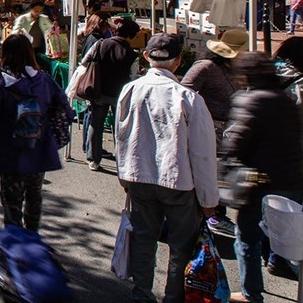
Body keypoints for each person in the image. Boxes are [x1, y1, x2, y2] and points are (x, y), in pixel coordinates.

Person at [115, 33, 219, 303]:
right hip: (178, 181)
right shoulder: (188, 98)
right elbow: (203, 153)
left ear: (146, 57)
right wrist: (209, 199)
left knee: (143, 239)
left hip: (139, 176)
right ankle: (172, 297)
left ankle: (141, 293)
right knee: (180, 245)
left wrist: (123, 174)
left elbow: (121, 136)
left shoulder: (130, 90)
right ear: (178, 62)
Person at [221, 52, 303, 303]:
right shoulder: (285, 98)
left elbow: (237, 143)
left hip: (258, 182)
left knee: (247, 239)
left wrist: (224, 168)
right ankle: (280, 267)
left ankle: (251, 294)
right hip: (291, 179)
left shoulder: (249, 100)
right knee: (289, 238)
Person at [0, 35, 71, 232]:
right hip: (39, 149)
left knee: (12, 203)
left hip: (10, 152)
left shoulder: (0, 82)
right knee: (35, 197)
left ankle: (16, 244)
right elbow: (66, 109)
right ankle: (33, 239)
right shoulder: (44, 80)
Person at [182, 27, 247, 234]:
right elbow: (185, 92)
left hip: (230, 128)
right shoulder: (207, 66)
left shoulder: (235, 68)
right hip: (208, 126)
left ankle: (214, 212)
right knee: (207, 170)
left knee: (219, 171)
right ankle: (212, 214)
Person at [82, 17, 140, 171]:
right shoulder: (132, 54)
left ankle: (93, 159)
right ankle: (121, 158)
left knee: (96, 124)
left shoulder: (100, 44)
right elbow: (133, 78)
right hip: (119, 95)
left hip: (98, 90)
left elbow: (84, 62)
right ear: (131, 36)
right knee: (120, 127)